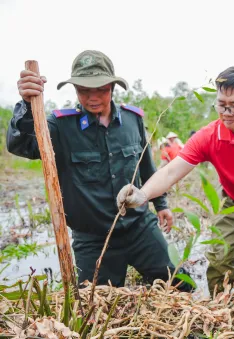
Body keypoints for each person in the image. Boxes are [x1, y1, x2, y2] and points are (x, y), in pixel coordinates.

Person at [6, 50, 192, 291]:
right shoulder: (60, 126)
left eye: (101, 89)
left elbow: (145, 165)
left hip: (140, 228)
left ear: (112, 87)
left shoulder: (132, 119)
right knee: (96, 306)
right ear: (75, 90)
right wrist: (27, 105)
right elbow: (20, 145)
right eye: (84, 90)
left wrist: (162, 204)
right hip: (93, 238)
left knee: (179, 284)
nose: (93, 97)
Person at [116, 66, 234, 295]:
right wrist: (143, 194)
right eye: (221, 104)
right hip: (233, 205)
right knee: (220, 261)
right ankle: (221, 308)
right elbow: (171, 172)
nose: (226, 112)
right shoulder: (209, 136)